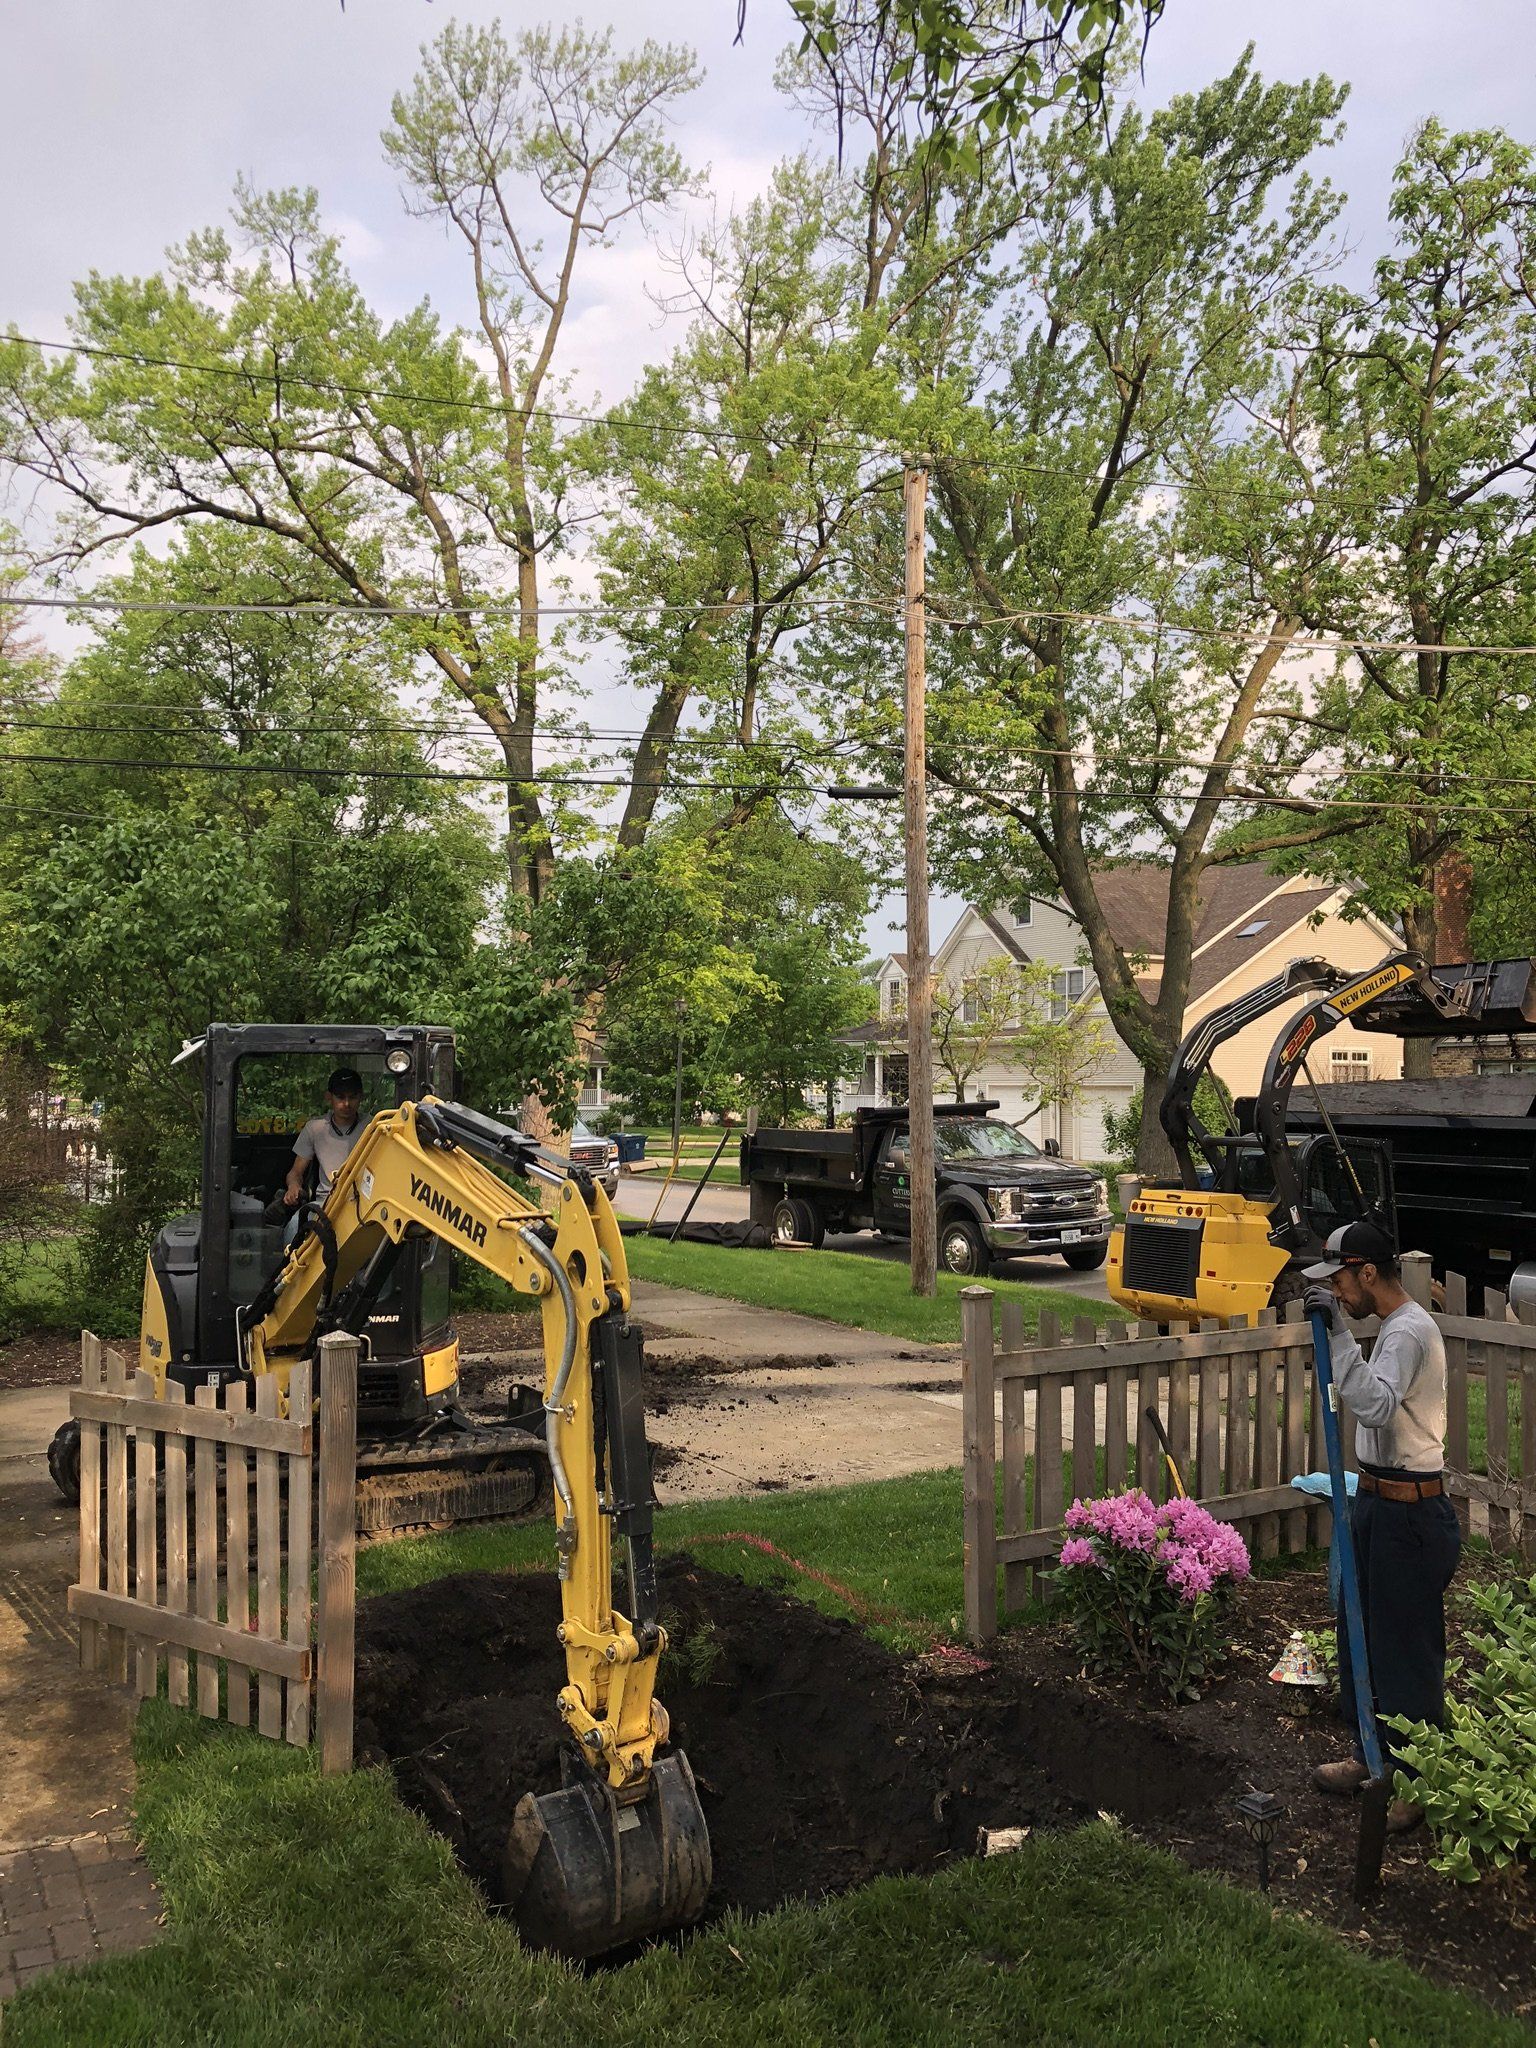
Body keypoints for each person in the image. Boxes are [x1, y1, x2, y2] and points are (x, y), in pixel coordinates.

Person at [1303, 1218, 1460, 1834]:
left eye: (1339, 1282)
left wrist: (1339, 1336)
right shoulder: (1390, 1330)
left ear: (1368, 1272)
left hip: (1410, 1512)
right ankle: (1370, 1754)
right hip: (1375, 1501)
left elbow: (1371, 1403)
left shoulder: (1410, 1333)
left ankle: (1418, 1779)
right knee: (1359, 1630)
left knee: (1406, 1648)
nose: (1337, 1294)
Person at [282, 1067, 366, 1224]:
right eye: (340, 1097)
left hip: (366, 1203)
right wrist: (293, 1187)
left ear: (361, 1097)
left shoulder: (375, 1126)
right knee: (294, 1227)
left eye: (352, 1097)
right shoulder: (315, 1128)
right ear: (329, 1097)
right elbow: (295, 1172)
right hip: (325, 1203)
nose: (347, 1103)